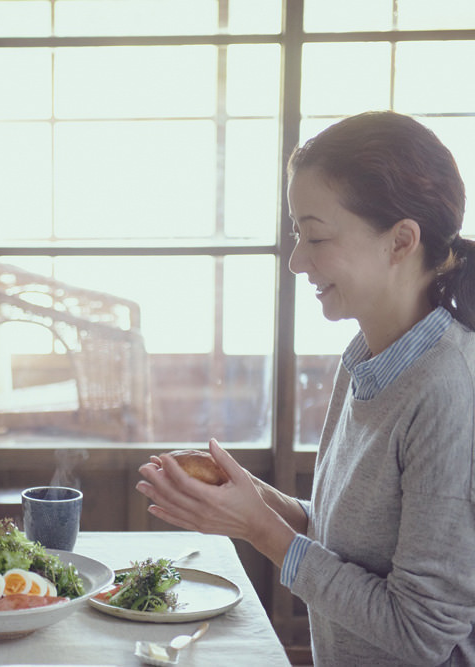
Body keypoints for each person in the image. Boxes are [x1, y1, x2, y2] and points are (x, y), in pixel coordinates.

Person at [136, 111, 475, 665]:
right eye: (297, 234)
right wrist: (248, 494)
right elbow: (348, 543)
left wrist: (259, 529)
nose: (297, 260)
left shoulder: (450, 391)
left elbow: (421, 633)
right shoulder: (366, 356)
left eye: (315, 236)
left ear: (401, 241)